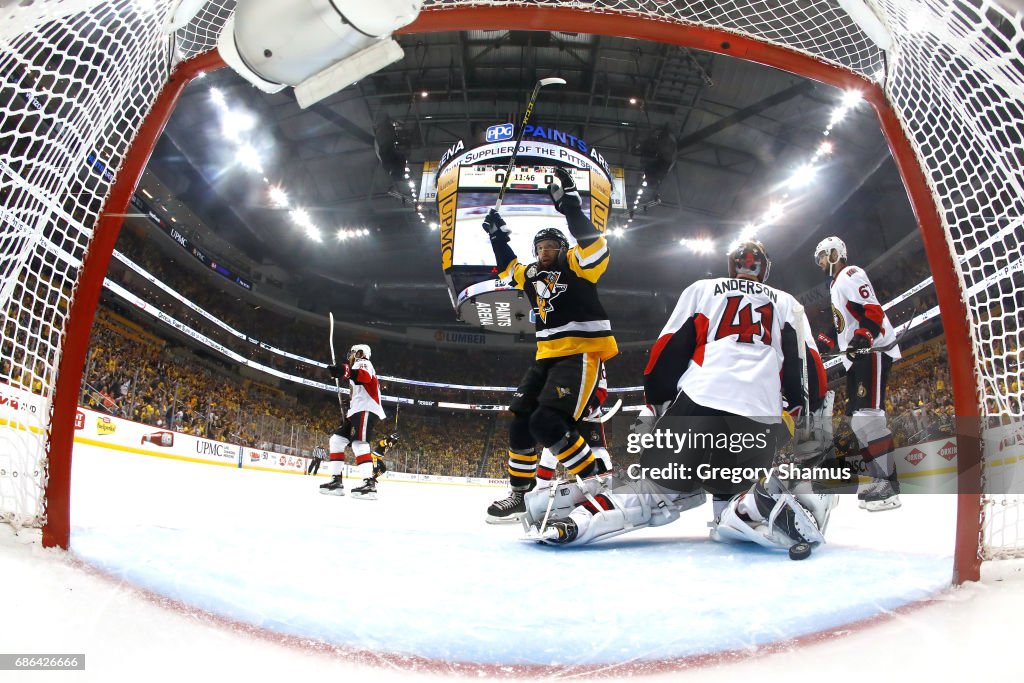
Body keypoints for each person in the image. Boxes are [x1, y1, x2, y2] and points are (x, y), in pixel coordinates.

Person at [528, 240, 836, 552]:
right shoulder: (787, 303)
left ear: (732, 264)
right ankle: (752, 506)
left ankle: (577, 522)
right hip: (759, 414)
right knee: (727, 505)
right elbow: (809, 368)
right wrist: (801, 420)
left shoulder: (703, 289)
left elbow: (667, 351)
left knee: (653, 487)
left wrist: (658, 405)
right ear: (764, 269)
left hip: (701, 398)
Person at [483, 166, 618, 523]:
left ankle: (596, 483)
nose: (545, 252)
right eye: (540, 247)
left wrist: (571, 208)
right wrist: (497, 236)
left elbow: (595, 245)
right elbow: (508, 268)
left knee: (546, 421)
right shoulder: (531, 274)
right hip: (546, 355)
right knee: (521, 420)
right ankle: (520, 495)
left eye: (552, 246)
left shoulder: (577, 265)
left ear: (562, 248)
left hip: (580, 354)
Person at [813, 236, 902, 511]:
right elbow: (843, 323)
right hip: (858, 358)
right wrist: (824, 340)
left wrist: (864, 337)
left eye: (823, 257)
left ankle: (888, 486)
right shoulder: (836, 283)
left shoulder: (851, 273)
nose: (820, 263)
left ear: (835, 253)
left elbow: (872, 309)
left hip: (871, 351)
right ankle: (877, 480)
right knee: (859, 422)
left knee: (868, 418)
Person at [324, 344, 387, 499]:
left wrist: (344, 371)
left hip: (366, 409)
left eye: (352, 352)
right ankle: (336, 480)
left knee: (359, 443)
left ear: (360, 353)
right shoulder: (357, 366)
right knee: (337, 440)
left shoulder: (363, 362)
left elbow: (364, 376)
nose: (350, 355)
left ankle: (369, 484)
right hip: (357, 410)